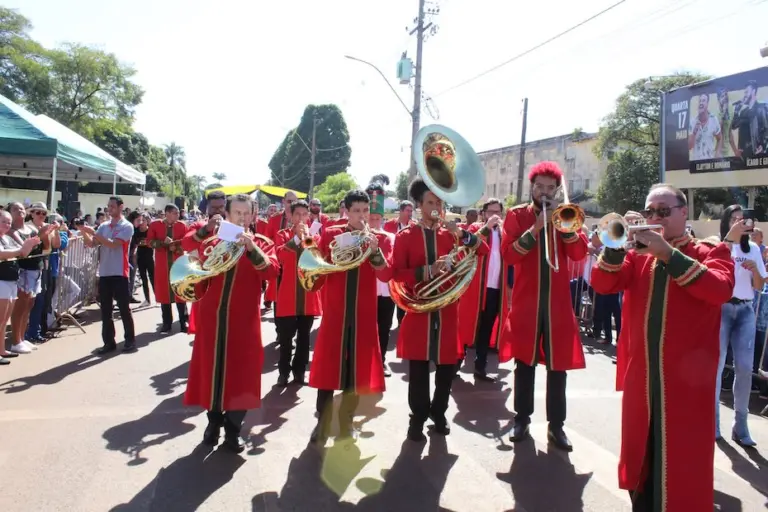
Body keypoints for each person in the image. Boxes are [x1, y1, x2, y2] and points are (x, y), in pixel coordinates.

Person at [591, 184, 734, 511]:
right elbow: (602, 282)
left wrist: (668, 254)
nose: (654, 217)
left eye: (663, 212)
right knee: (641, 461)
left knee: (681, 470)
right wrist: (616, 244)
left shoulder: (709, 251)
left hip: (686, 389)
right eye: (649, 211)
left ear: (683, 213)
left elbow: (720, 289)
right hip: (642, 382)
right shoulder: (637, 258)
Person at [501, 161, 588, 452]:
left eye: (552, 187)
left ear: (558, 189)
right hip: (527, 303)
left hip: (558, 306)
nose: (546, 192)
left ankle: (557, 426)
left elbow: (578, 253)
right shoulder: (516, 215)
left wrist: (565, 229)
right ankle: (521, 419)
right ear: (532, 187)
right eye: (541, 187)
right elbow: (510, 255)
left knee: (557, 367)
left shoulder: (567, 216)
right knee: (523, 364)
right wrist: (536, 228)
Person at [393, 178, 486, 441]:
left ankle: (439, 412)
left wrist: (463, 235)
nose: (436, 207)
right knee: (419, 370)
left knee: (447, 369)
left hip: (447, 311)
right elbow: (397, 273)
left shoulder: (451, 234)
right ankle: (417, 418)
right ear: (419, 205)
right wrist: (427, 271)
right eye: (430, 202)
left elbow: (484, 250)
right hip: (419, 310)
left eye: (439, 202)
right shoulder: (406, 236)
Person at [184, 194, 278, 453]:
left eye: (246, 213)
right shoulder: (211, 241)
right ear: (226, 214)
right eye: (236, 212)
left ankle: (233, 430)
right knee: (211, 372)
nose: (242, 218)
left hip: (245, 320)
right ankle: (213, 423)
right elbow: (187, 248)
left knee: (243, 375)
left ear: (253, 216)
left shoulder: (262, 243)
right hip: (212, 317)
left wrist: (251, 249)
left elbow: (271, 272)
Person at [308, 189, 393, 446]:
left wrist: (375, 252)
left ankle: (346, 424)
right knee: (328, 369)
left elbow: (386, 276)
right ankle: (321, 423)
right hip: (335, 313)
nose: (361, 216)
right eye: (356, 211)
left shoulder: (379, 238)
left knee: (355, 374)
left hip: (364, 315)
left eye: (365, 211)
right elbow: (318, 268)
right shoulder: (333, 234)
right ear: (346, 211)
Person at [715, 204, 765, 447]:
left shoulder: (753, 248)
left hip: (745, 310)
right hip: (721, 308)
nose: (740, 223)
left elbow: (758, 286)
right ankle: (713, 424)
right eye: (735, 219)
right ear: (726, 222)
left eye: (743, 220)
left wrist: (756, 269)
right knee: (716, 366)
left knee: (745, 367)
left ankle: (741, 425)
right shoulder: (719, 246)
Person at [274, 200, 322, 387]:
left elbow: (314, 254)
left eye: (304, 215)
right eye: (297, 215)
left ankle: (300, 372)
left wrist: (306, 237)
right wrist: (295, 238)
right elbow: (281, 257)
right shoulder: (282, 235)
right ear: (290, 216)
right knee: (286, 338)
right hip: (287, 295)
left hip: (307, 294)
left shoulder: (313, 236)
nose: (301, 218)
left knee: (304, 337)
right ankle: (283, 372)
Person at [80, 197, 136, 354]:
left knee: (124, 308)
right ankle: (109, 342)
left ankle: (130, 340)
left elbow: (113, 244)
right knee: (105, 310)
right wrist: (84, 231)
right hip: (104, 273)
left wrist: (95, 234)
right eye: (108, 206)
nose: (109, 209)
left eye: (112, 206)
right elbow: (92, 244)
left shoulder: (127, 226)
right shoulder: (104, 226)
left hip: (120, 272)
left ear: (120, 207)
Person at [457, 198, 506, 381]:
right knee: (468, 325)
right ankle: (454, 365)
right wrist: (487, 227)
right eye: (491, 212)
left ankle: (480, 366)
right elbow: (470, 245)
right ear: (483, 213)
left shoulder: (504, 233)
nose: (495, 215)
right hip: (476, 289)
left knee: (486, 328)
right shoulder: (474, 228)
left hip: (495, 289)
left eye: (498, 212)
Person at [181, 191, 227, 335]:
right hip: (205, 284)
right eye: (214, 207)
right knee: (206, 329)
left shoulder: (233, 226)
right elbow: (186, 244)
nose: (218, 211)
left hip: (227, 282)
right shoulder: (198, 224)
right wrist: (207, 228)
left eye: (221, 207)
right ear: (207, 208)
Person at [366, 182, 397, 377]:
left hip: (386, 290)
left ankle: (382, 360)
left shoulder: (390, 237)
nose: (374, 222)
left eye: (378, 218)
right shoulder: (360, 236)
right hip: (367, 289)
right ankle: (365, 360)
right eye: (371, 218)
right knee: (367, 326)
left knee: (384, 327)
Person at [0, 211, 39, 361]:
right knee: (0, 319)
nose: (7, 225)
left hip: (11, 281)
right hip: (1, 281)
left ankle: (2, 350)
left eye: (9, 222)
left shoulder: (8, 238)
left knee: (4, 320)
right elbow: (3, 253)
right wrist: (20, 250)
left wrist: (31, 244)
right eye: (4, 221)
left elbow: (23, 253)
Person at [147, 204, 189, 333]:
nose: (178, 215)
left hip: (178, 263)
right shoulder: (155, 225)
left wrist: (176, 247)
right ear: (167, 213)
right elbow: (149, 242)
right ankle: (167, 323)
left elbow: (187, 242)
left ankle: (184, 321)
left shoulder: (182, 226)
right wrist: (163, 244)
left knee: (180, 291)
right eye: (175, 213)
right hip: (162, 265)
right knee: (164, 293)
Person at [265, 191, 297, 309]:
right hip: (278, 263)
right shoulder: (275, 219)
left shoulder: (303, 218)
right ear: (283, 202)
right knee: (278, 296)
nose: (292, 204)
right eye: (289, 201)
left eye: (294, 201)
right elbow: (267, 240)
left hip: (296, 263)